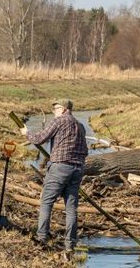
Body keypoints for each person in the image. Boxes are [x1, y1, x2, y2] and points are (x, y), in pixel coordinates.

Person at [23, 99, 90, 253]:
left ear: (63, 109)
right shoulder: (80, 126)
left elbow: (39, 138)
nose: (54, 111)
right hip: (77, 169)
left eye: (55, 108)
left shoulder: (58, 121)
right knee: (71, 208)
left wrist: (26, 133)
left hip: (60, 167)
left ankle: (41, 238)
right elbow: (85, 150)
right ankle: (70, 244)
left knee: (46, 202)